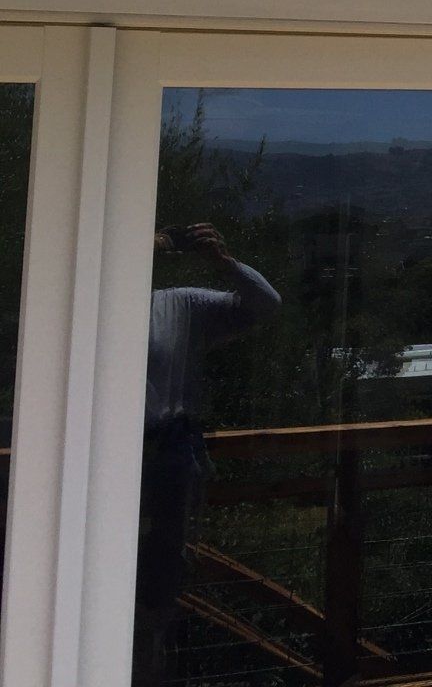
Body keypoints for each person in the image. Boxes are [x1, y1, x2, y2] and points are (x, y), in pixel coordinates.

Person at [134, 223, 280, 686]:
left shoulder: (178, 304)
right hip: (107, 454)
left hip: (167, 453)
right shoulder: (89, 305)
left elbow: (265, 305)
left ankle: (147, 663)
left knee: (164, 567)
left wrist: (223, 263)